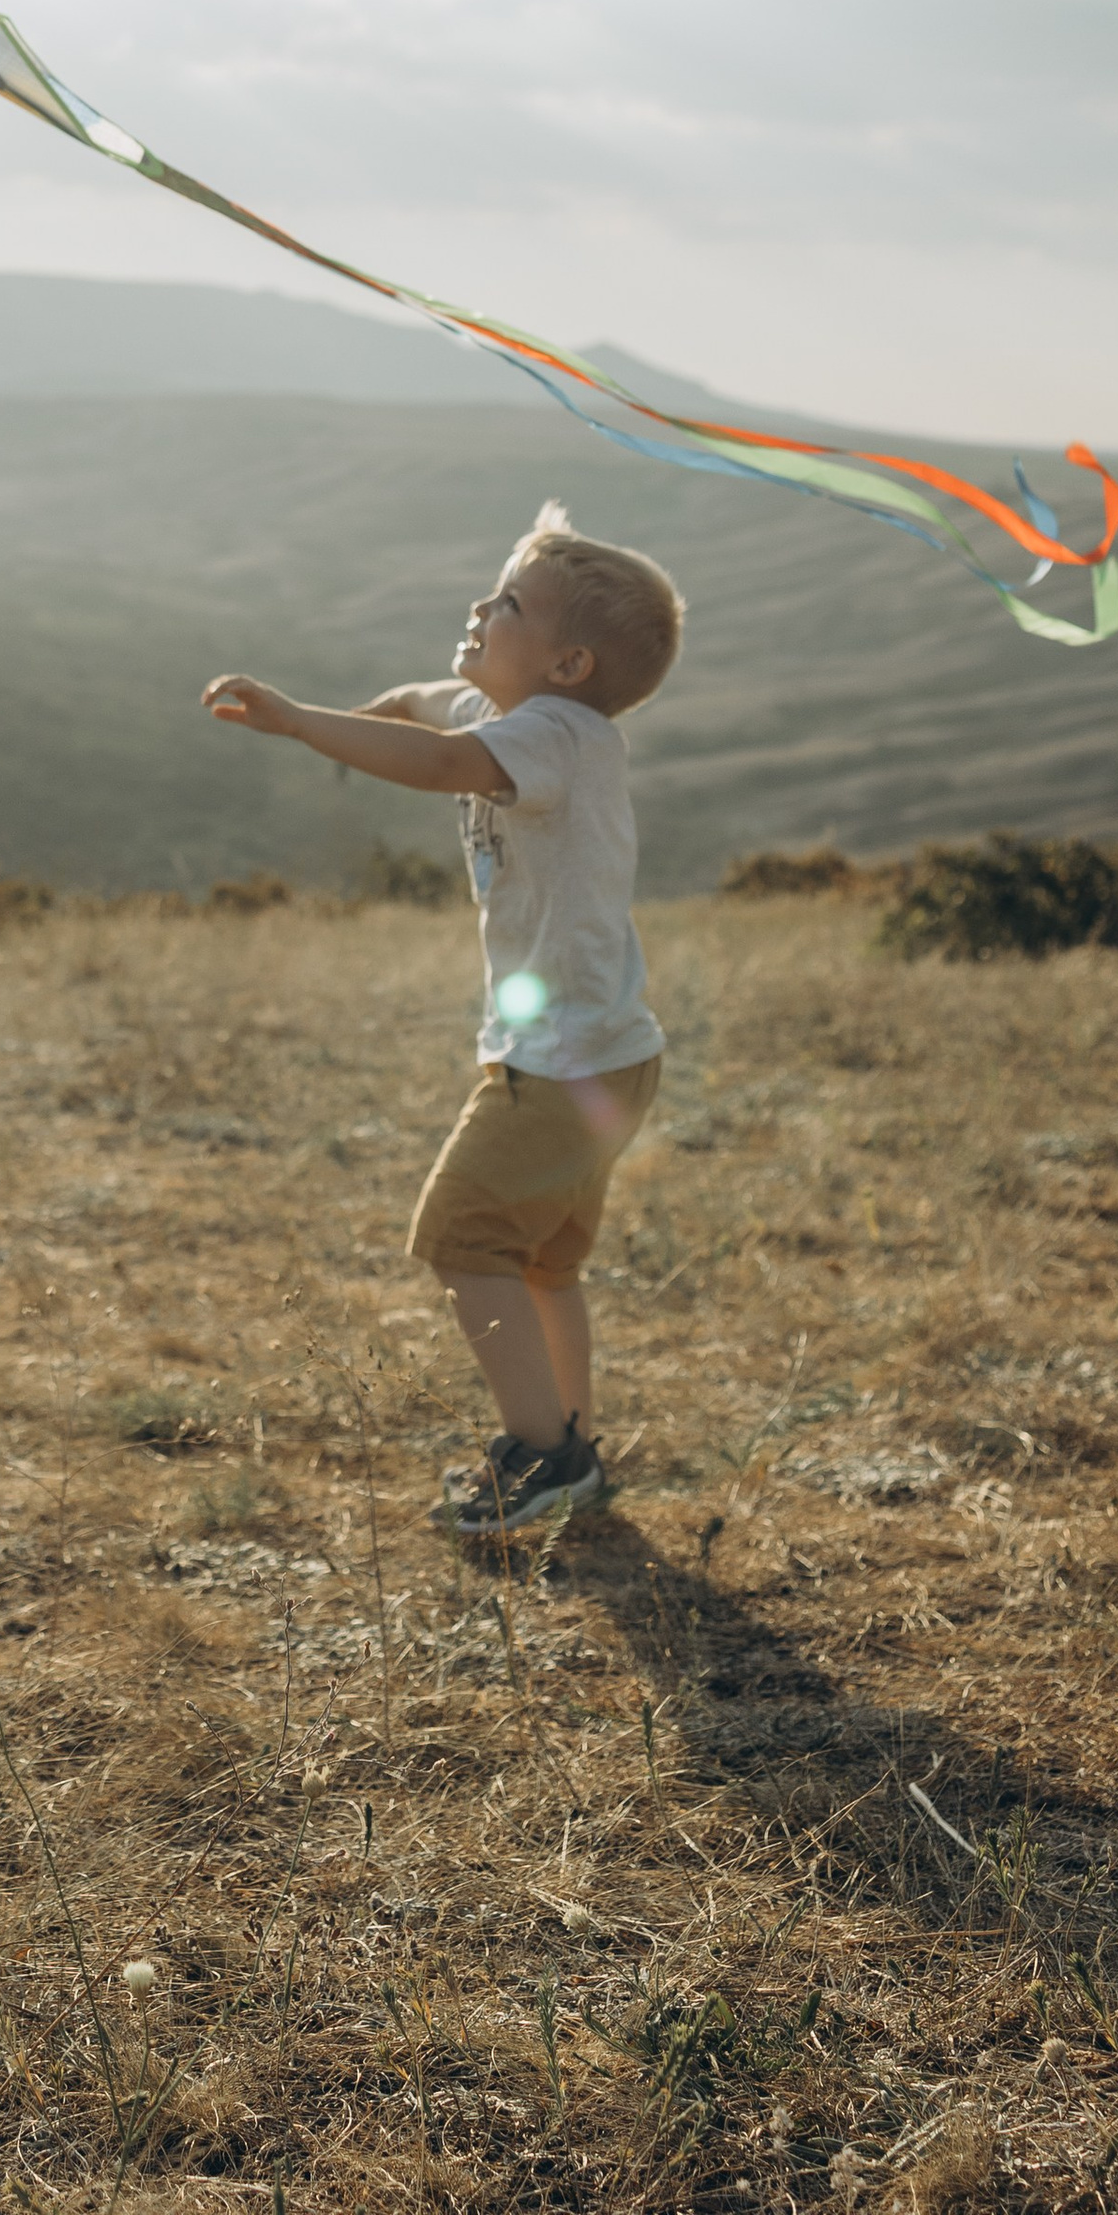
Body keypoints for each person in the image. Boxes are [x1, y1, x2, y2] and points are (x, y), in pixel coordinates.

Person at [202, 501, 683, 1538]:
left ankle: (542, 1457)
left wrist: (297, 720)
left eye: (507, 602)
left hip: (559, 1067)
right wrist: (365, 713)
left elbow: (436, 763)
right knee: (544, 1263)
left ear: (567, 666)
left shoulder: (557, 735)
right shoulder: (505, 706)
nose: (478, 604)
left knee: (461, 1237)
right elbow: (425, 709)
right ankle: (572, 1449)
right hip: (605, 1053)